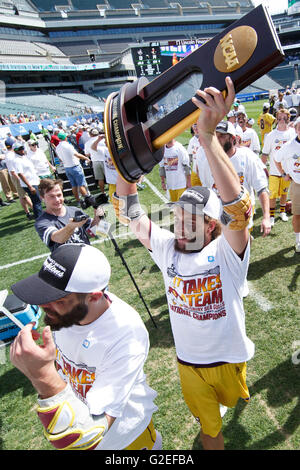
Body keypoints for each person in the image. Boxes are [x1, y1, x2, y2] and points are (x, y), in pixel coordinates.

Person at [114, 77, 254, 450]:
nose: (178, 223)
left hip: (228, 359)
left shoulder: (225, 252)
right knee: (210, 431)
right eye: (176, 215)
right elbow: (129, 214)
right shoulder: (168, 249)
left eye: (189, 218)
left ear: (210, 225)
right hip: (188, 363)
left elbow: (238, 211)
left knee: (227, 403)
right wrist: (126, 172)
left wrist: (207, 139)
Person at [9, 243, 161, 450]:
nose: (44, 307)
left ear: (94, 296)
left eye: (57, 300)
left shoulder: (125, 334)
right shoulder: (70, 313)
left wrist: (42, 375)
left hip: (125, 442)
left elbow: (86, 435)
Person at [196, 120, 271, 237]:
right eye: (215, 136)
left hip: (241, 218)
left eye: (222, 136)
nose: (217, 140)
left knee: (242, 251)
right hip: (218, 218)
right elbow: (208, 189)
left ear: (233, 138)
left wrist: (266, 216)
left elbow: (261, 188)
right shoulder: (207, 160)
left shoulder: (247, 156)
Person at [35, 178, 100, 253]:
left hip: (86, 256)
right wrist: (71, 226)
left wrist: (97, 212)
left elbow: (93, 231)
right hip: (66, 262)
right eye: (51, 196)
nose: (57, 200)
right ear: (42, 198)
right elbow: (58, 238)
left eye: (59, 195)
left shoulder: (75, 211)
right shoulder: (42, 222)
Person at [261, 108, 296, 226]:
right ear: (276, 119)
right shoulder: (271, 135)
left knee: (284, 193)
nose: (282, 120)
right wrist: (262, 168)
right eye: (280, 118)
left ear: (288, 118)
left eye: (284, 118)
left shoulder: (292, 133)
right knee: (272, 194)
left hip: (289, 171)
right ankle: (271, 216)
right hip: (274, 171)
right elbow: (265, 153)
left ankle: (282, 212)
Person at [274, 116, 300, 252]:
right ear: (295, 129)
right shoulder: (289, 145)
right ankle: (298, 241)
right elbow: (276, 158)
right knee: (297, 214)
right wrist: (283, 173)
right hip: (297, 184)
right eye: (299, 127)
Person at [55, 132, 90, 205]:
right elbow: (77, 154)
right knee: (81, 185)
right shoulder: (68, 146)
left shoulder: (57, 147)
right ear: (65, 137)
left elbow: (60, 159)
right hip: (75, 166)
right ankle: (88, 199)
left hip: (67, 168)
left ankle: (78, 201)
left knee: (74, 185)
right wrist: (86, 158)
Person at [4, 137, 34, 220]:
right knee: (24, 195)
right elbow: (13, 171)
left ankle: (28, 212)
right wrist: (20, 180)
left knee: (22, 195)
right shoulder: (11, 156)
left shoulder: (9, 154)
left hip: (16, 176)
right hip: (17, 177)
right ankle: (33, 210)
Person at [13, 141, 43, 219]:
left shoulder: (24, 157)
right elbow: (20, 174)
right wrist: (30, 186)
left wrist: (37, 178)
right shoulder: (17, 160)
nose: (22, 150)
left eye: (22, 148)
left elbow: (31, 170)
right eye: (19, 149)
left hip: (33, 181)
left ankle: (38, 216)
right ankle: (40, 218)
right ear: (15, 150)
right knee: (37, 201)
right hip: (29, 184)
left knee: (36, 201)